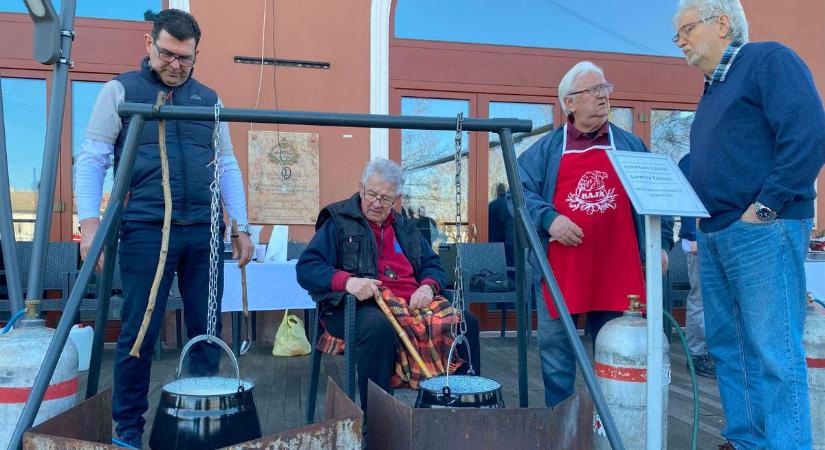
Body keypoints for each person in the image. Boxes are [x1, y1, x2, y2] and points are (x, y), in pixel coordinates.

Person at [74, 9, 254, 447]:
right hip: (145, 228)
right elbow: (94, 156)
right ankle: (129, 432)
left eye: (185, 58)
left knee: (207, 328)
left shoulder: (209, 98)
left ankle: (200, 422)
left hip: (204, 231)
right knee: (139, 332)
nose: (175, 65)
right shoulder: (121, 90)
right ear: (148, 44)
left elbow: (226, 164)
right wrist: (90, 223)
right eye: (167, 54)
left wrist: (241, 225)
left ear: (196, 55)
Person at [673, 1, 825, 448]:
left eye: (685, 29)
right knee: (730, 349)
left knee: (775, 353)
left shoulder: (767, 59)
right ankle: (746, 441)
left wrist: (766, 206)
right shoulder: (713, 89)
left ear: (722, 23)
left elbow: (809, 131)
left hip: (761, 230)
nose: (679, 41)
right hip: (716, 233)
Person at [518, 61, 673, 408]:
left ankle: (614, 423)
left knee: (617, 353)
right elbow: (520, 193)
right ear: (569, 103)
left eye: (605, 88)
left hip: (618, 270)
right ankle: (563, 429)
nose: (603, 96)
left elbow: (658, 196)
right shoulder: (545, 150)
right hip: (561, 271)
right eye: (593, 90)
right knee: (557, 358)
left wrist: (660, 244)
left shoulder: (631, 145)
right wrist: (549, 219)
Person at [296, 158, 480, 415]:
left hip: (410, 305)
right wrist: (348, 281)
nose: (376, 203)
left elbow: (433, 266)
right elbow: (307, 268)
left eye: (386, 198)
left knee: (466, 322)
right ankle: (377, 421)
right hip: (357, 305)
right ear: (361, 188)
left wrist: (428, 287)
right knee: (379, 328)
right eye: (371, 194)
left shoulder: (406, 227)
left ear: (397, 198)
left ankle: (460, 409)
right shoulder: (338, 219)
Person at [677, 154, 715, 379]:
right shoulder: (692, 160)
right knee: (700, 299)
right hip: (698, 239)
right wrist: (692, 235)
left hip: (725, 237)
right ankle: (697, 354)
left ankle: (715, 352)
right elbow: (686, 198)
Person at [488, 183, 514, 266]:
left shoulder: (491, 205)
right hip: (511, 239)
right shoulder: (512, 204)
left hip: (496, 240)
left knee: (497, 264)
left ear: (497, 191)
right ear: (505, 190)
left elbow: (489, 224)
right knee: (512, 264)